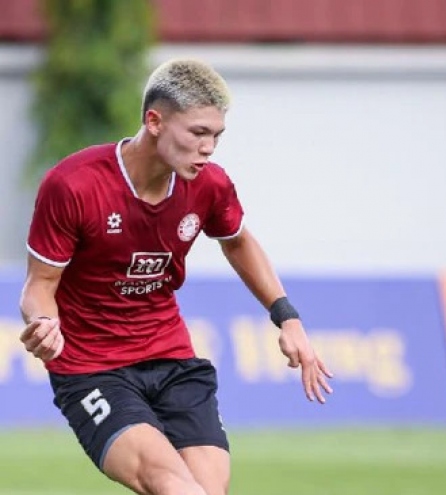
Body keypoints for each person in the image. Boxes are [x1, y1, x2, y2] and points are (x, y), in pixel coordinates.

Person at [18, 58, 333, 495]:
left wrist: (287, 316)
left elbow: (238, 241)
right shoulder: (74, 185)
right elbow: (39, 285)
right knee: (172, 485)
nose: (209, 148)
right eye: (198, 132)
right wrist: (43, 322)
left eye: (217, 135)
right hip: (92, 367)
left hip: (171, 357)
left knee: (207, 489)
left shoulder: (209, 185)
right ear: (154, 122)